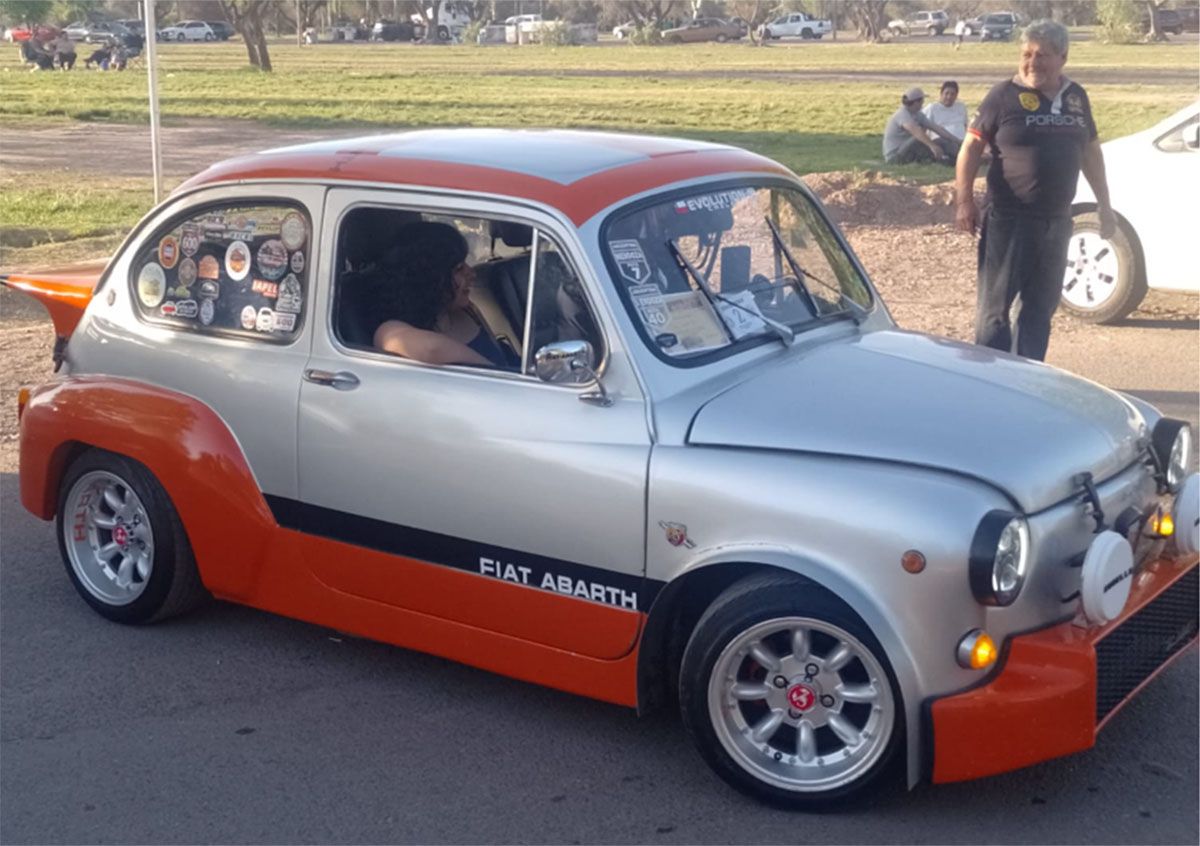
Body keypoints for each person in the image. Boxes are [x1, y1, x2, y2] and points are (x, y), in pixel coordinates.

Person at [955, 19, 1114, 362]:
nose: (1032, 62)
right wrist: (964, 202)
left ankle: (1028, 377)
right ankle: (991, 381)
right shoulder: (1003, 95)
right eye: (1026, 54)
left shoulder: (1076, 97)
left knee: (1039, 310)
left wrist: (1104, 205)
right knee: (995, 312)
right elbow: (969, 149)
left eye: (1042, 55)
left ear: (1063, 57)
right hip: (1011, 220)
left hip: (1057, 222)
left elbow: (1090, 152)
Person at [373, 222, 518, 369]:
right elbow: (431, 349)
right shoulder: (389, 332)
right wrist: (498, 374)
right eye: (459, 269)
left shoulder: (468, 311)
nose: (472, 273)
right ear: (429, 279)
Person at [883, 87, 961, 164]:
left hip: (907, 150)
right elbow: (916, 132)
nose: (923, 103)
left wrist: (957, 141)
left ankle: (957, 157)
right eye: (922, 101)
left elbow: (936, 128)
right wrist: (933, 146)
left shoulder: (917, 114)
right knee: (920, 139)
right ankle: (940, 159)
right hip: (895, 155)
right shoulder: (902, 114)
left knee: (940, 141)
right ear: (916, 102)